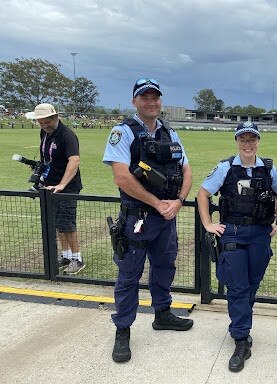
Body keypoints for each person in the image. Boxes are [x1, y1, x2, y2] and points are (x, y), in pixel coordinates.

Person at [102, 78, 193, 363]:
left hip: (166, 218)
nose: (151, 102)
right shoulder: (123, 132)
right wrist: (157, 203)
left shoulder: (170, 133)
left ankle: (162, 314)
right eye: (145, 97)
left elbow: (186, 170)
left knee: (165, 266)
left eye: (156, 97)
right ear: (134, 101)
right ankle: (123, 329)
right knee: (129, 275)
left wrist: (178, 201)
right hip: (137, 219)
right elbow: (121, 177)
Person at [197, 121, 277, 372]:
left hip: (259, 234)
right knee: (237, 287)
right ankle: (240, 339)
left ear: (258, 142)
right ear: (237, 141)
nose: (248, 144)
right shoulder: (226, 167)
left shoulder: (269, 169)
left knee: (251, 285)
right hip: (233, 232)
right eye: (243, 140)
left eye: (252, 139)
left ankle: (242, 327)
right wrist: (208, 224)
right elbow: (203, 194)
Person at [24, 103, 83, 274]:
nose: (44, 126)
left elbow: (75, 161)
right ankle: (65, 256)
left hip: (68, 187)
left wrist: (62, 184)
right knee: (58, 224)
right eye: (40, 123)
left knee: (68, 224)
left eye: (46, 122)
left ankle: (77, 259)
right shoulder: (44, 132)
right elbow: (47, 156)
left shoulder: (67, 135)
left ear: (55, 118)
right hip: (50, 186)